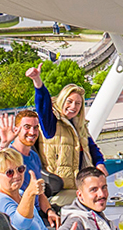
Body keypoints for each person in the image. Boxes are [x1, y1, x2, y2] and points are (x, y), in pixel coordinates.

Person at [28, 63, 105, 199]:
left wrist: (99, 164)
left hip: (81, 183)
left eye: (77, 103)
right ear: (62, 100)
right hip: (62, 188)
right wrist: (37, 81)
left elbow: (92, 148)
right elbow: (43, 105)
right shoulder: (51, 123)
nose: (73, 107)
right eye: (69, 102)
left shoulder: (79, 125)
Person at [0, 109, 60, 227]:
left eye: (35, 127)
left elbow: (40, 194)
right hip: (23, 216)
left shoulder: (34, 157)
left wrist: (49, 211)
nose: (32, 132)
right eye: (27, 127)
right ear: (16, 129)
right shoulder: (9, 155)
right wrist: (4, 143)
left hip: (38, 214)